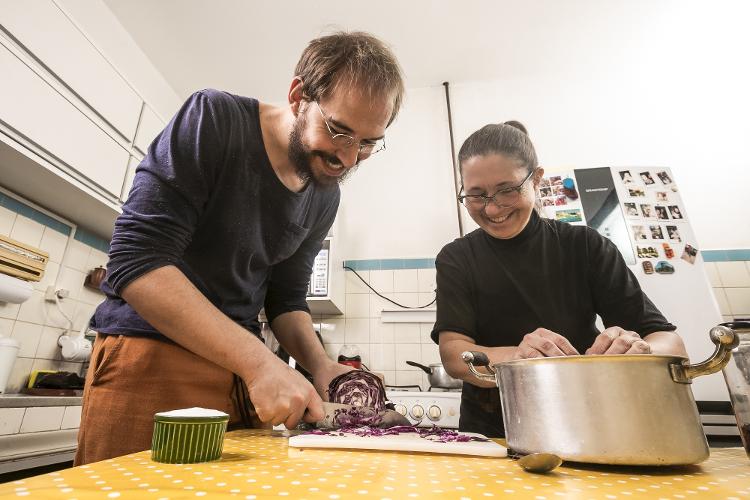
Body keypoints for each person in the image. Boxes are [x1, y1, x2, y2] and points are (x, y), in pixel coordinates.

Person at [75, 32, 405, 464]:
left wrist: (321, 367)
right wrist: (260, 362)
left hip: (239, 379)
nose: (347, 157)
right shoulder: (214, 118)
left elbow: (286, 300)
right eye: (339, 130)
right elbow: (136, 260)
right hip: (150, 355)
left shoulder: (325, 195)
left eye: (367, 143)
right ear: (298, 96)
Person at [431, 121, 686, 438]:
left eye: (507, 190)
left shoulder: (586, 246)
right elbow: (455, 355)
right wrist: (519, 360)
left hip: (591, 425)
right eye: (476, 195)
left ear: (536, 180)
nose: (492, 208)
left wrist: (639, 351)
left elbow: (670, 342)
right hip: (493, 431)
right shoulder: (457, 258)